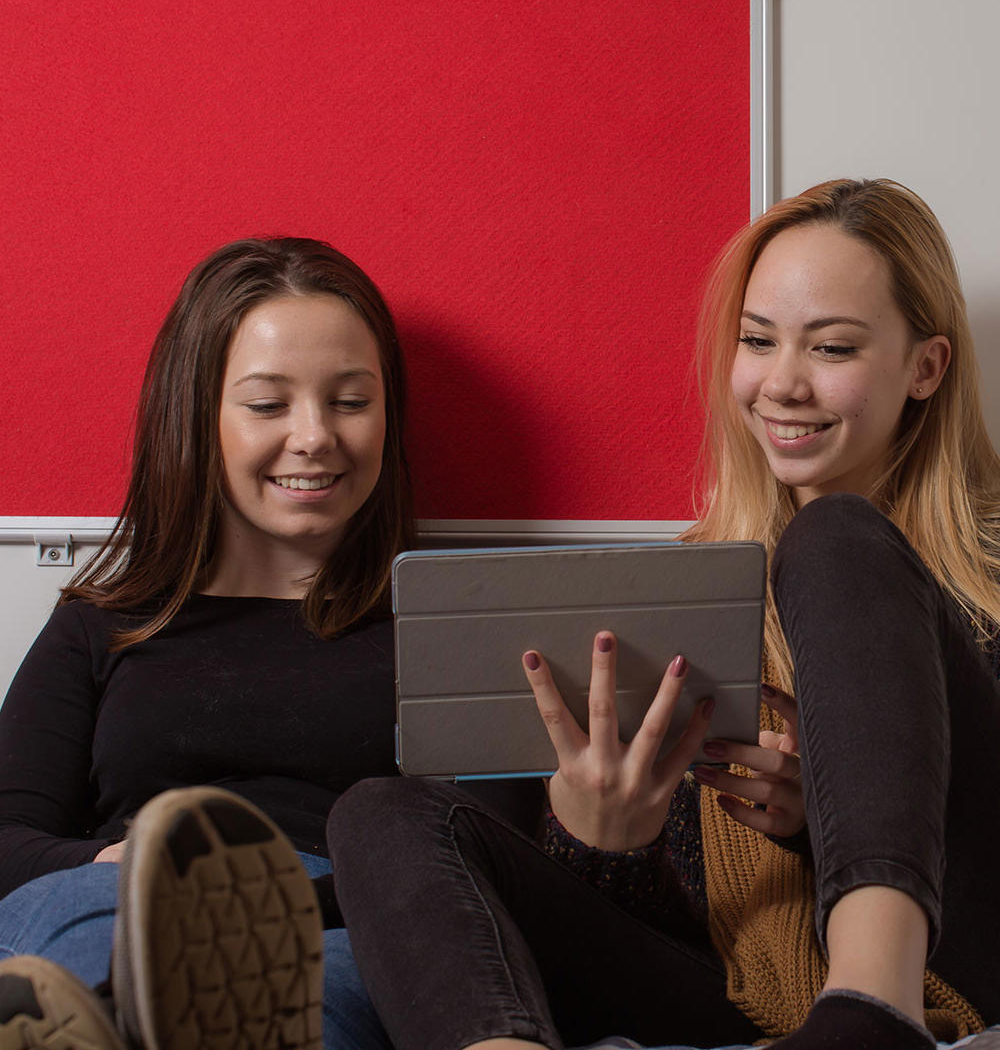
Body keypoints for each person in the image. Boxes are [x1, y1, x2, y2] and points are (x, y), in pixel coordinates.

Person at [327, 179, 1000, 1050]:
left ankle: (875, 1012)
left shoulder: (981, 574)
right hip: (732, 996)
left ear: (926, 367)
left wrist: (825, 820)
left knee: (836, 536)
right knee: (378, 815)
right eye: (758, 341)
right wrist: (604, 833)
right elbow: (661, 925)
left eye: (832, 348)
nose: (782, 384)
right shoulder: (687, 594)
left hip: (957, 962)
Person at [0, 236, 413, 1049]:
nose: (315, 435)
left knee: (310, 1010)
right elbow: (5, 840)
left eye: (351, 401)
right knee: (87, 957)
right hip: (118, 896)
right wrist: (122, 868)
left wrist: (271, 905)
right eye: (268, 405)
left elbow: (469, 856)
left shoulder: (441, 625)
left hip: (336, 925)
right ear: (198, 416)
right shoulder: (103, 620)